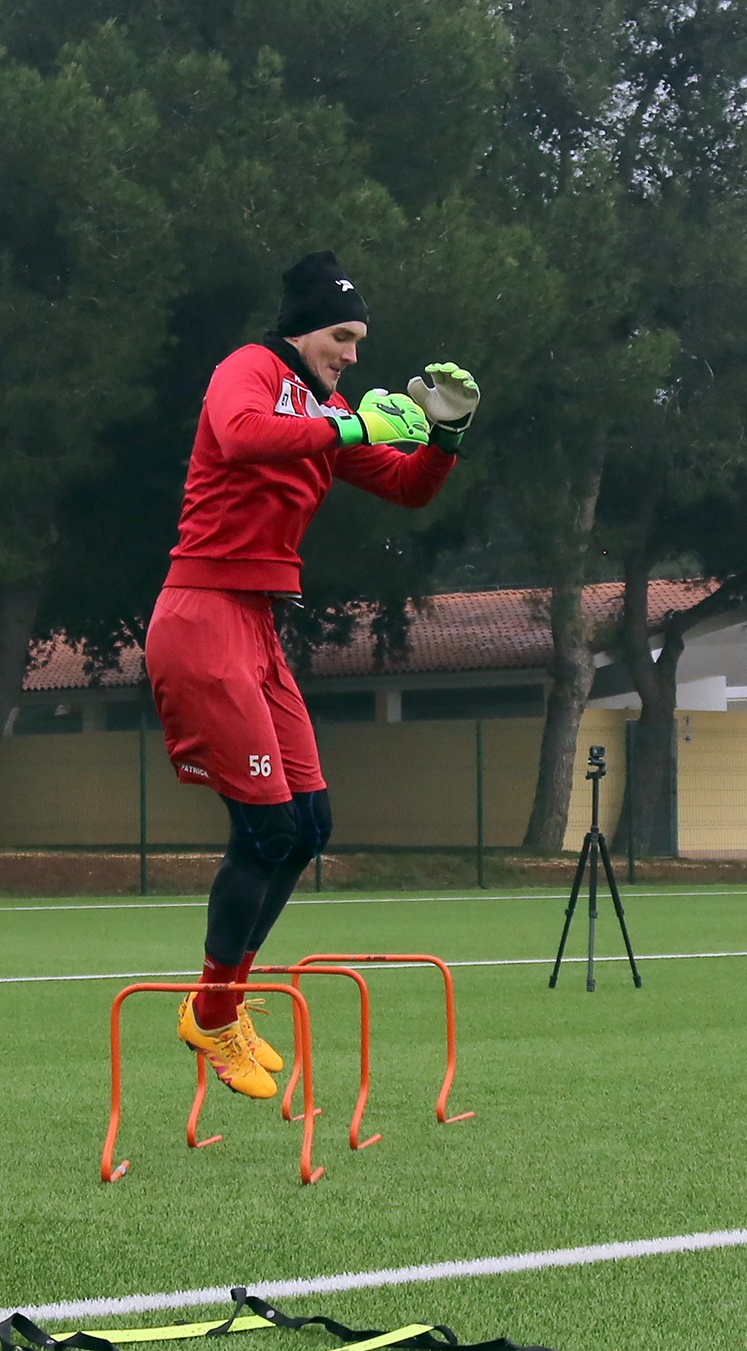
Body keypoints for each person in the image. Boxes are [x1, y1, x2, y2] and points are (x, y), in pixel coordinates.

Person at [144, 251, 479, 1098]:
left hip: (256, 625)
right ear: (302, 329)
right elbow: (240, 435)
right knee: (265, 832)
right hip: (202, 616)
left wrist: (444, 435)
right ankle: (213, 1012)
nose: (354, 356)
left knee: (308, 828)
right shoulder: (251, 369)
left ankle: (221, 1005)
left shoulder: (328, 408)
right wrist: (353, 428)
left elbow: (407, 487)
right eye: (343, 336)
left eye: (360, 340)